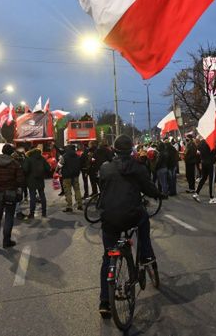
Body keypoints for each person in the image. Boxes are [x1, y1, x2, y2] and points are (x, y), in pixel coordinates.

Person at [97, 135, 161, 318]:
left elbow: (102, 187)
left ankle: (105, 302)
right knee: (144, 220)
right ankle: (146, 253)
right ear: (131, 150)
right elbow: (148, 188)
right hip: (132, 215)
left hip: (109, 218)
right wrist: (159, 194)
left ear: (114, 150)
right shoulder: (138, 168)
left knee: (108, 256)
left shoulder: (105, 168)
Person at [0, 144, 25, 249]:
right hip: (11, 194)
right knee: (9, 217)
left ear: (2, 151)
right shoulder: (15, 164)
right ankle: (6, 242)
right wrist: (16, 189)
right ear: (11, 152)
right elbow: (20, 180)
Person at [23, 147, 51, 219]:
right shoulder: (42, 158)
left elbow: (25, 169)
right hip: (40, 180)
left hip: (31, 180)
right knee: (42, 196)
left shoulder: (28, 159)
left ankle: (32, 214)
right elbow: (48, 168)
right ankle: (44, 213)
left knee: (32, 197)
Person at [192, 135, 216, 204]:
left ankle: (196, 193)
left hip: (204, 162)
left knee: (203, 178)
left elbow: (198, 152)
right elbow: (214, 152)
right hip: (210, 163)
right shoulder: (210, 142)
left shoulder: (201, 143)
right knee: (211, 180)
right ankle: (212, 197)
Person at [58, 144, 83, 212]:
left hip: (67, 176)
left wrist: (57, 171)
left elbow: (60, 165)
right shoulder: (77, 156)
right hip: (75, 176)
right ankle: (80, 205)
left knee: (68, 191)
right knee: (77, 190)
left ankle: (69, 206)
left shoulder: (64, 156)